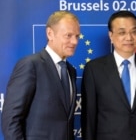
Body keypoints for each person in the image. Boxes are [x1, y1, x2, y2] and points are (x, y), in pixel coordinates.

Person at [81, 10, 136, 140]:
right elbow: (89, 117)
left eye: (134, 31)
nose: (129, 37)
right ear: (111, 35)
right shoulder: (94, 69)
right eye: (122, 32)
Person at [1, 10, 80, 140]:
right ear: (50, 34)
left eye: (77, 36)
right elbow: (11, 119)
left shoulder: (70, 71)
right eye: (68, 35)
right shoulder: (31, 65)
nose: (74, 42)